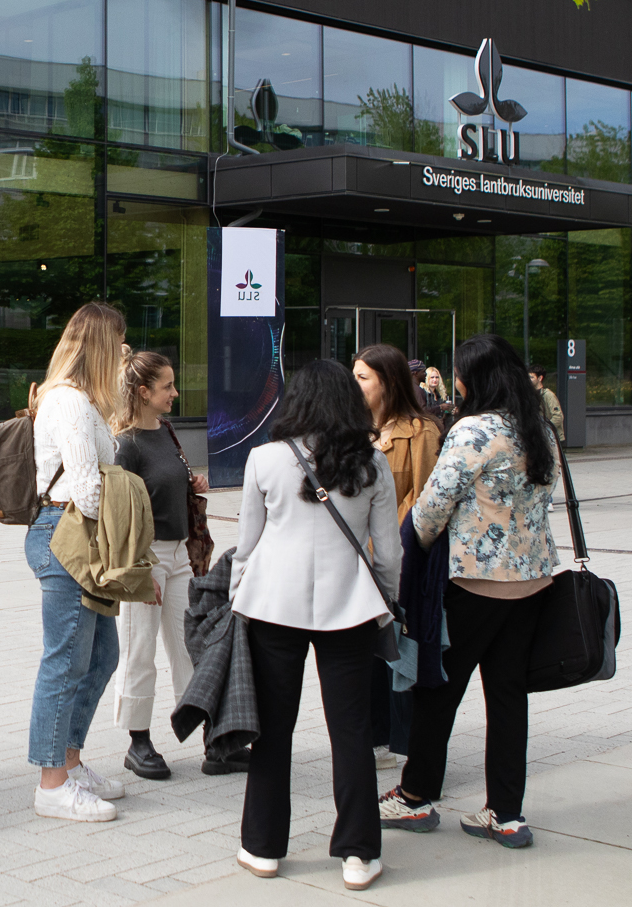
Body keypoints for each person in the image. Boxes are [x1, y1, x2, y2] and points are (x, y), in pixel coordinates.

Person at [380, 334, 561, 851]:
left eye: (459, 373)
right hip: (531, 583)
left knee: (439, 689)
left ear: (474, 378)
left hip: (473, 586)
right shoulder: (540, 430)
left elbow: (431, 510)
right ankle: (505, 814)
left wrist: (405, 551)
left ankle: (415, 796)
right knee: (508, 697)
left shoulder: (473, 431)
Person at [230, 359, 399, 890]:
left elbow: (247, 542)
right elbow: (388, 553)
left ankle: (262, 848)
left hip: (272, 606)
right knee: (350, 731)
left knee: (273, 730)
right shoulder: (372, 462)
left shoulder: (264, 459)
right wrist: (387, 600)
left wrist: (237, 595)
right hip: (348, 607)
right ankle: (358, 853)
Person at [25, 302, 130, 822]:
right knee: (65, 660)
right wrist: (123, 529)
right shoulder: (66, 400)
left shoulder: (84, 400)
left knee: (101, 654)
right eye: (121, 344)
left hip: (80, 536)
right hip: (67, 532)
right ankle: (51, 784)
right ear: (102, 346)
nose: (125, 353)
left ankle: (69, 761)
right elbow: (87, 488)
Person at [109, 350, 208, 783]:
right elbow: (120, 513)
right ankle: (138, 741)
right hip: (144, 556)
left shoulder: (167, 431)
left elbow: (169, 485)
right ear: (144, 392)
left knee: (189, 644)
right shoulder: (125, 444)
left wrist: (193, 484)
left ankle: (205, 729)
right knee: (140, 646)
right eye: (167, 386)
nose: (175, 392)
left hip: (180, 552)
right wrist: (138, 565)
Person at [353, 344, 443, 771]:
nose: (355, 385)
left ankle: (408, 745)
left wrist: (386, 538)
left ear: (386, 383)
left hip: (401, 556)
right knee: (367, 652)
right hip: (359, 561)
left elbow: (425, 496)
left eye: (362, 378)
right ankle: (374, 737)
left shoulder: (421, 430)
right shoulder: (354, 429)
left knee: (400, 648)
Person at [528, 363, 566, 442]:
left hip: (551, 438)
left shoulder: (548, 395)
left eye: (531, 377)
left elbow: (558, 416)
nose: (529, 380)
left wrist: (545, 428)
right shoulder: (529, 395)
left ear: (540, 378)